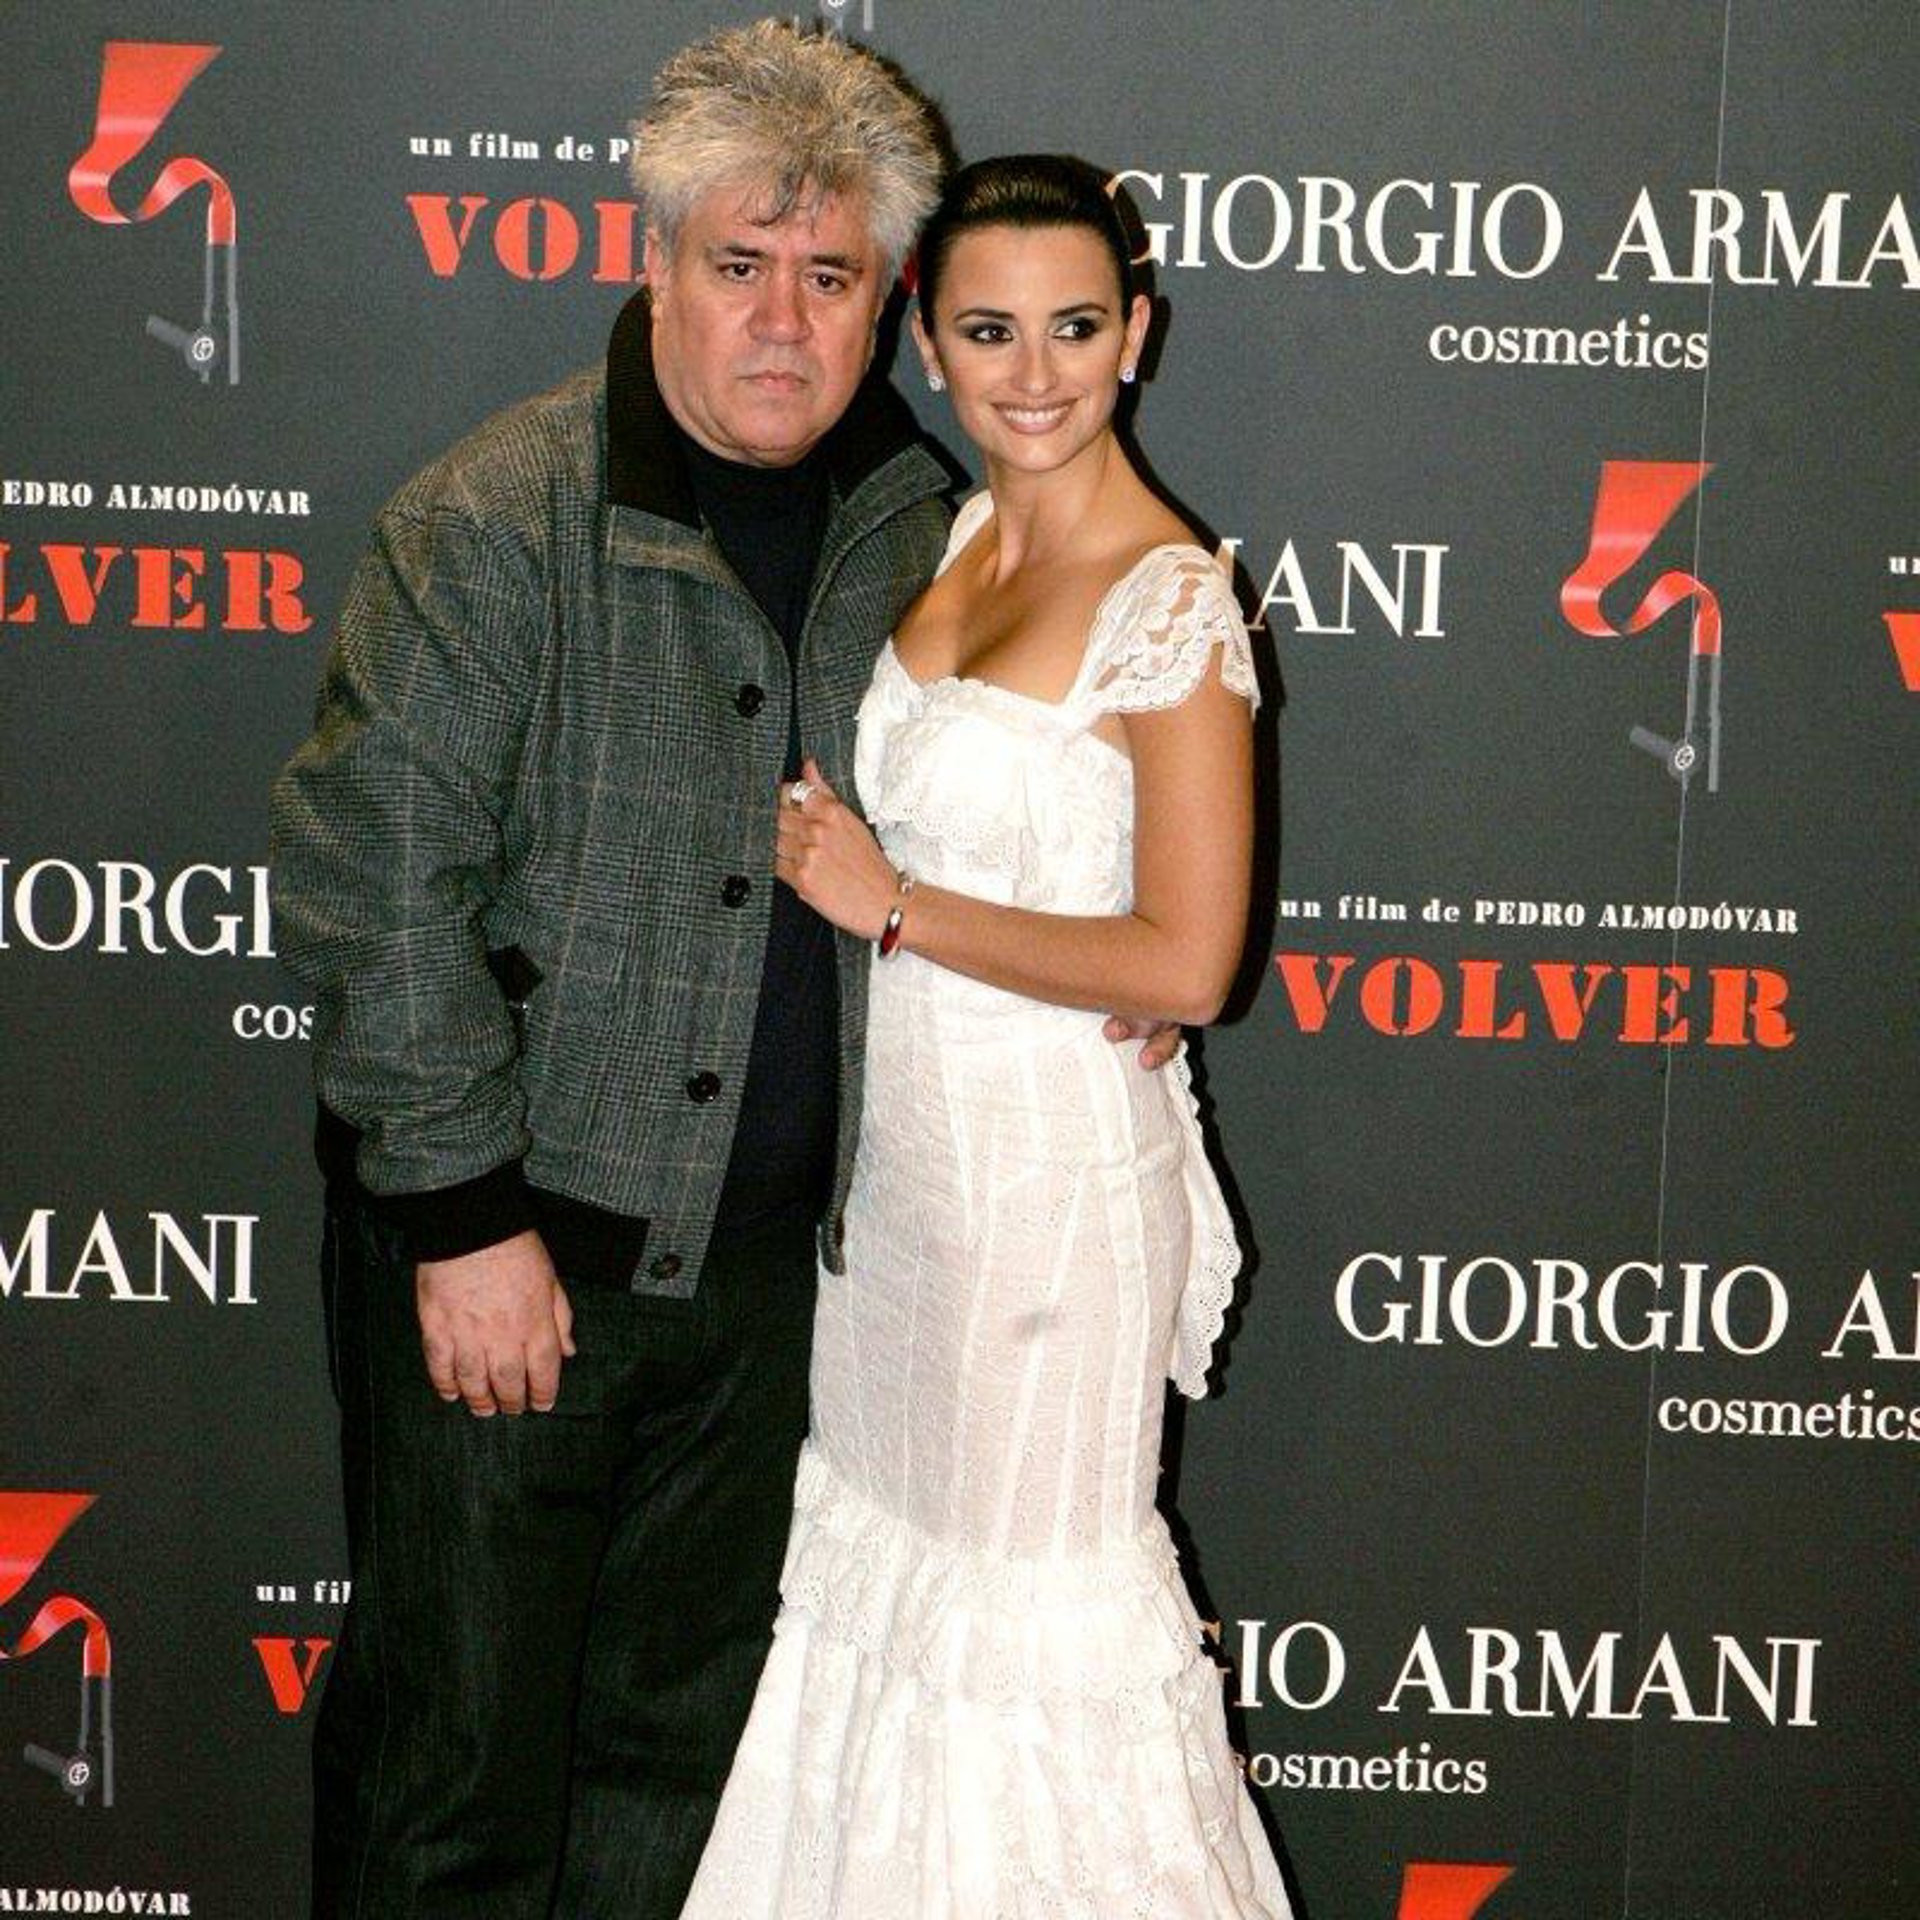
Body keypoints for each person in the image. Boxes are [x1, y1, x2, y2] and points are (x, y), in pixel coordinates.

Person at [681, 154, 1291, 1916]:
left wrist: (898, 907)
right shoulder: (944, 536)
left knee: (1026, 1636)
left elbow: (1190, 962)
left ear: (1138, 334)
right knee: (887, 1603)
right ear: (929, 344)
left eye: (1076, 328)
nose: (1035, 374)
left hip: (1048, 1207)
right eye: (990, 330)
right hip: (903, 1204)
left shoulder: (1170, 600)